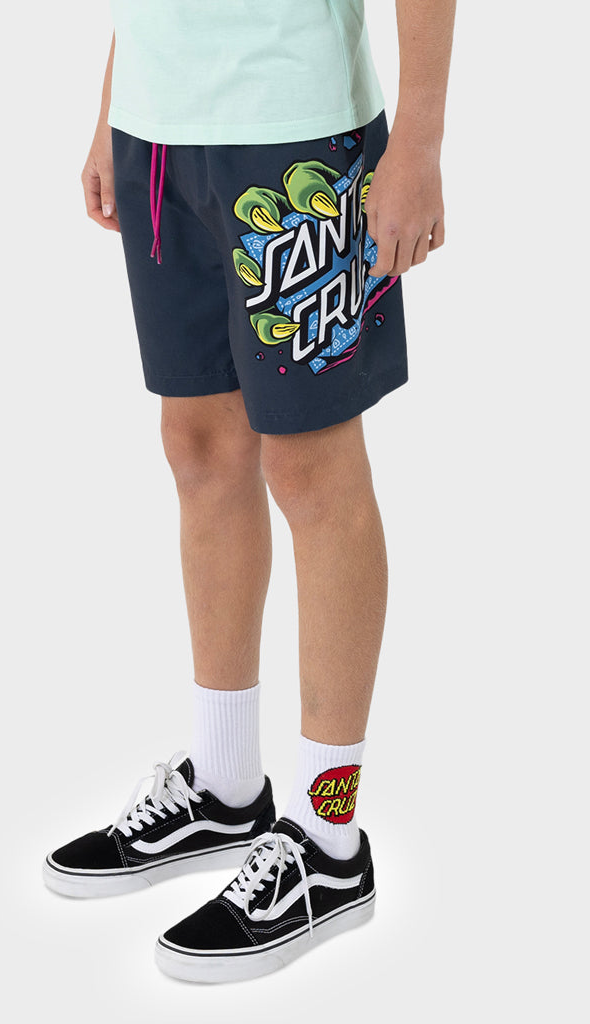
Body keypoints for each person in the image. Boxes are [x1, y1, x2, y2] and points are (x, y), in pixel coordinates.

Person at [43, 0, 455, 983]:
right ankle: (226, 788)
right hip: (157, 131)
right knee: (198, 448)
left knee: (309, 466)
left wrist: (417, 144)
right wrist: (112, 107)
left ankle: (328, 840)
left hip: (293, 127)